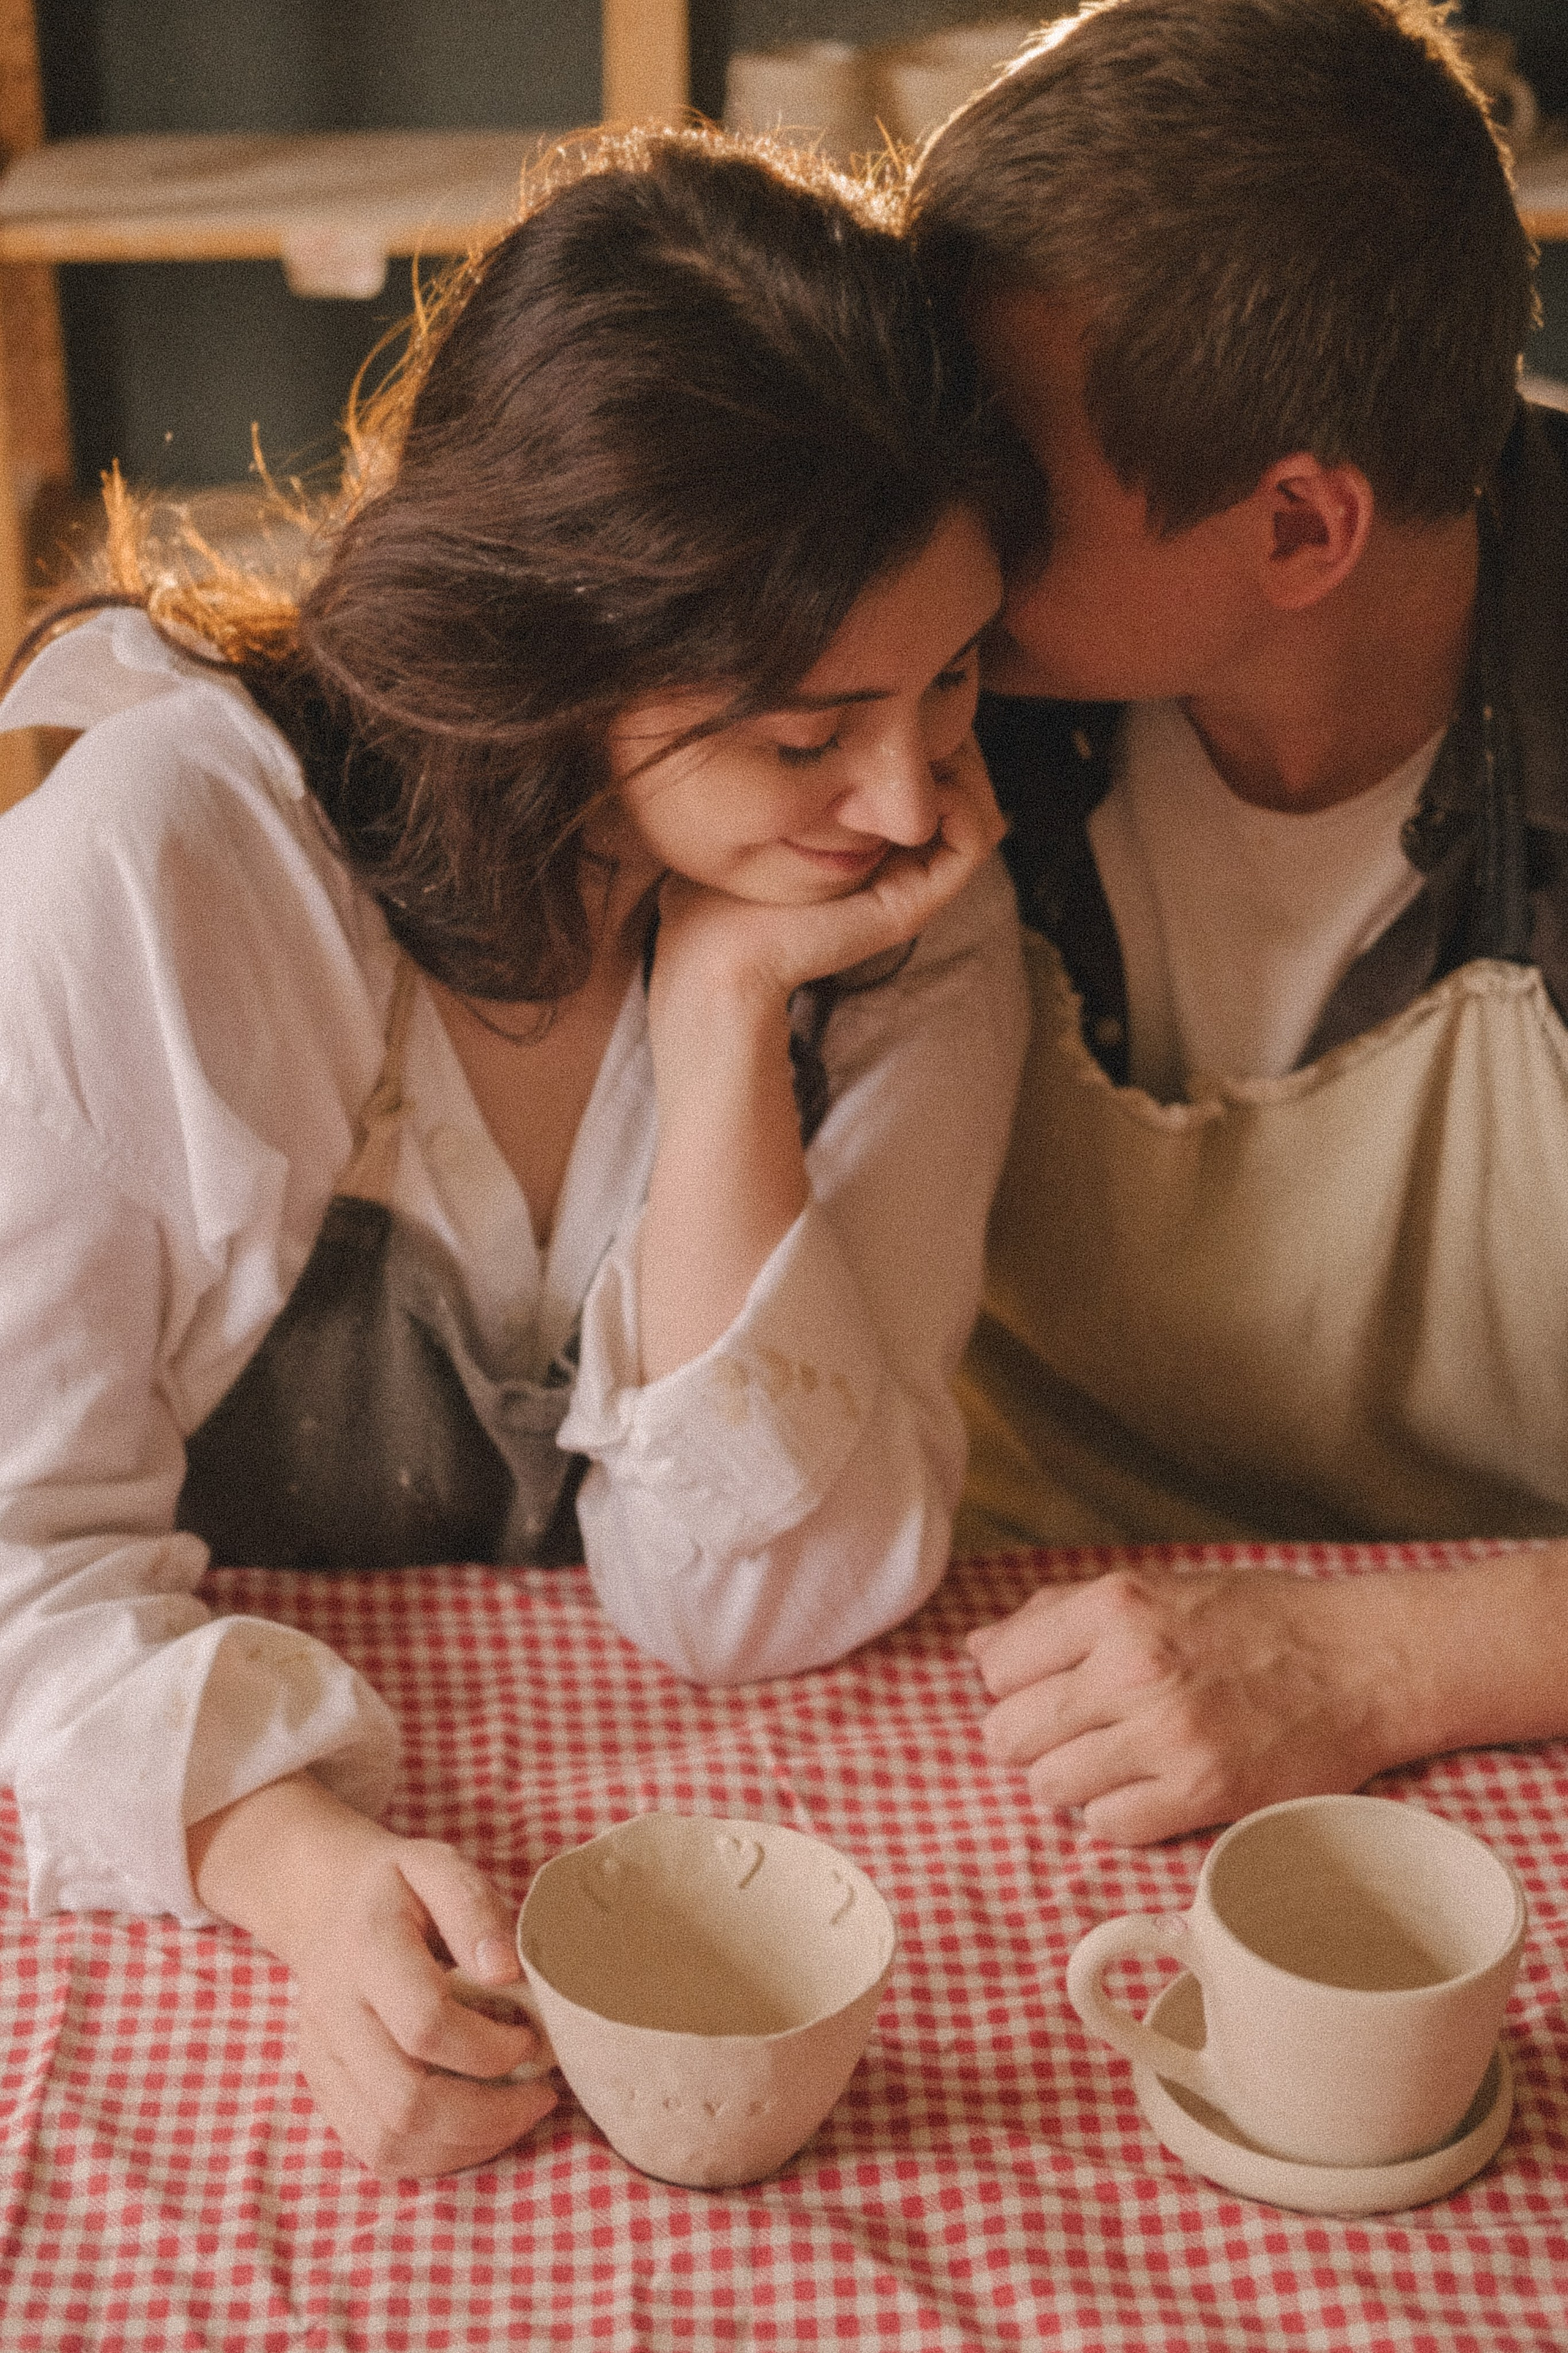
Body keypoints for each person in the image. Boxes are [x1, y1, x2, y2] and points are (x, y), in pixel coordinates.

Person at [0, 128, 1028, 2177]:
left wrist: (732, 1021)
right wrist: (298, 1870)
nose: (916, 796)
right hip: (201, 1900)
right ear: (548, 659)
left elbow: (760, 1601)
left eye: (957, 678)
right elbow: (23, 1562)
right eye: (808, 730)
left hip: (706, 1844)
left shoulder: (901, 911)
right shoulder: (164, 872)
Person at [907, 0, 1568, 1845]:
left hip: (1490, 1709)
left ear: (1299, 530)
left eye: (1007, 484)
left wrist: (1375, 1667)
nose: (917, 516)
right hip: (982, 1666)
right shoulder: (915, 666)